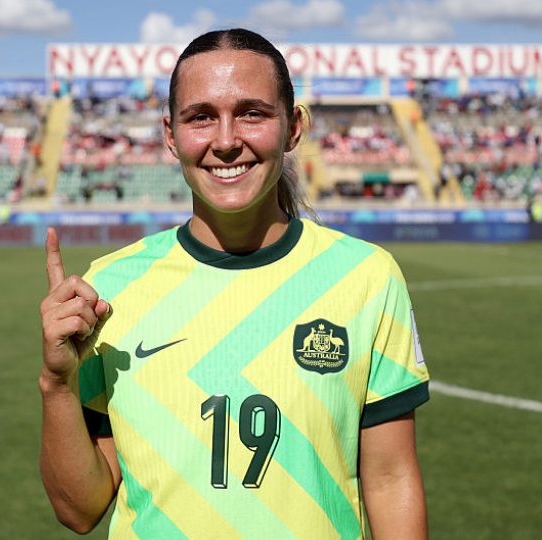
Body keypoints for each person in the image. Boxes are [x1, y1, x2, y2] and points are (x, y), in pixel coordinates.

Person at [39, 28, 430, 539]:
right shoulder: (110, 288)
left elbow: (390, 478)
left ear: (293, 127)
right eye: (201, 116)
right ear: (170, 134)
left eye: (252, 112)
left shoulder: (368, 277)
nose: (226, 141)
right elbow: (80, 510)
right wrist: (57, 384)